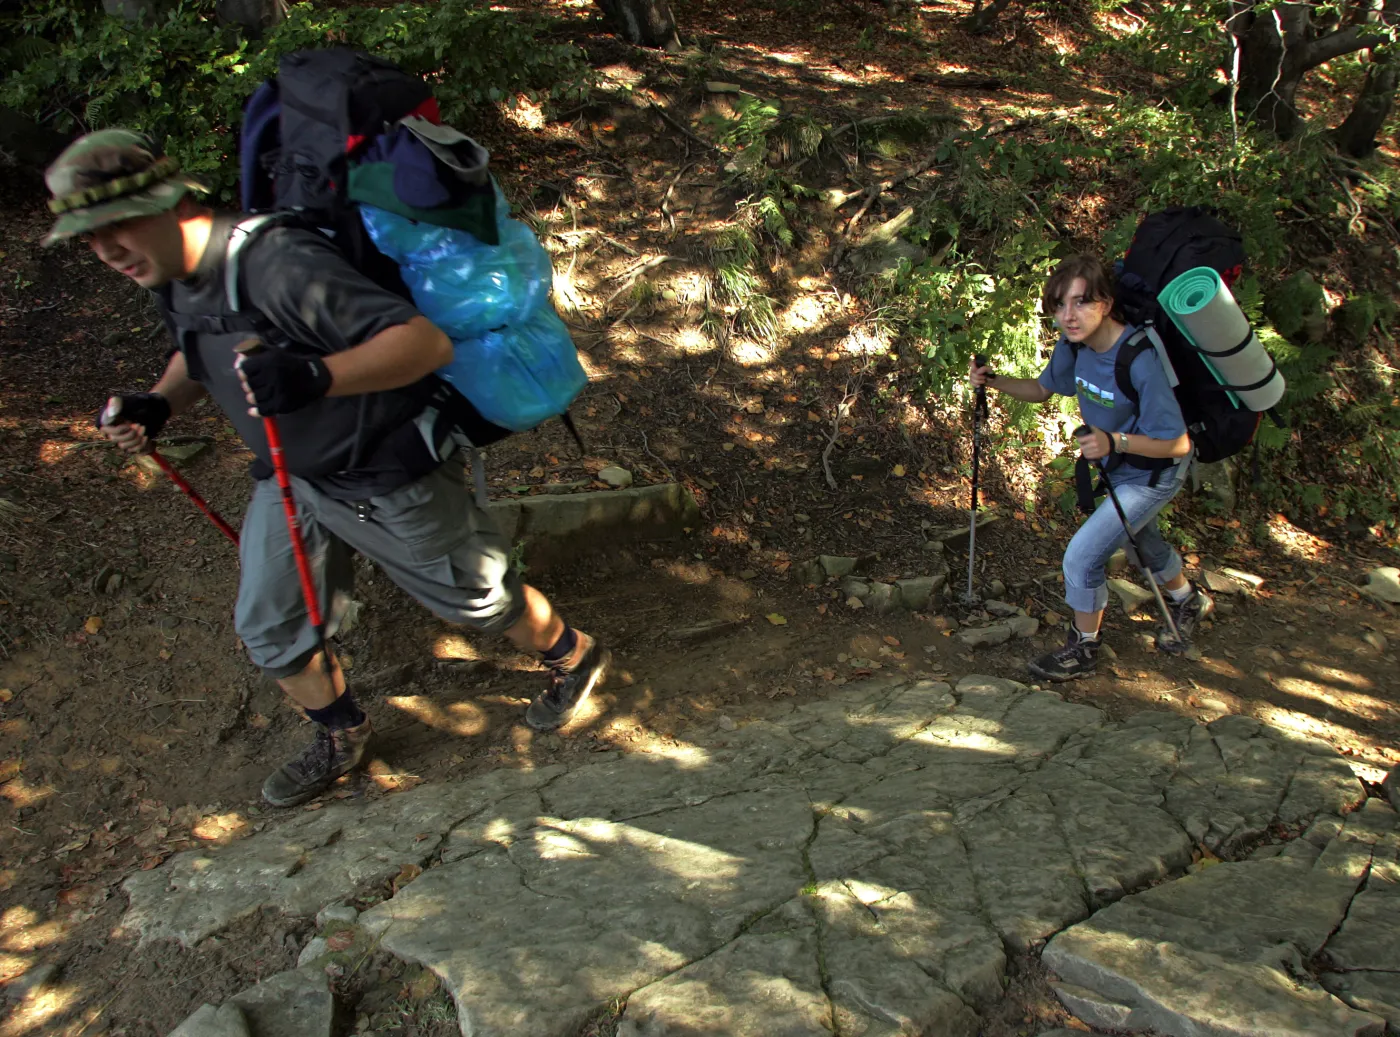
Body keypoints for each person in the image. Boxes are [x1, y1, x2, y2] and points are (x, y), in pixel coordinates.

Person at [44, 129, 610, 805]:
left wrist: (315, 376)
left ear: (171, 203)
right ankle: (343, 733)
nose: (105, 250)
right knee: (273, 629)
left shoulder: (279, 264)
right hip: (291, 480)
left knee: (484, 600)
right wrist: (160, 403)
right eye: (89, 236)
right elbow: (198, 353)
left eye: (117, 225)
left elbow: (422, 344)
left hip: (384, 473)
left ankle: (574, 655)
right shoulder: (171, 274)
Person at [968, 254, 1213, 681]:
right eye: (1060, 305)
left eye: (1081, 302)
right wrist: (993, 381)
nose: (1069, 315)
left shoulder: (1139, 360)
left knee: (1081, 557)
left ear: (1106, 301)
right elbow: (1043, 390)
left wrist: (1115, 441)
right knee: (1137, 538)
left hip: (1155, 470)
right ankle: (1187, 598)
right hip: (1118, 462)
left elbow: (1178, 443)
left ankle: (1083, 648)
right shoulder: (1074, 346)